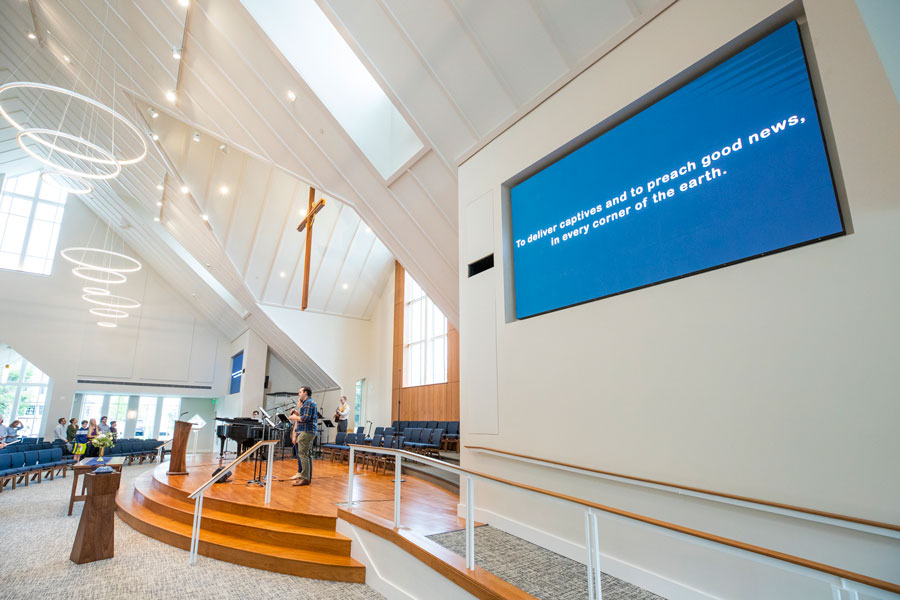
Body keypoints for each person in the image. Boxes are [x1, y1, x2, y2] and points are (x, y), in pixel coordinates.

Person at [288, 386, 316, 486]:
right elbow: (304, 416)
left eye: (300, 392)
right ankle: (307, 478)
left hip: (306, 431)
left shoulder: (308, 403)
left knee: (303, 455)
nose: (299, 394)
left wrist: (294, 417)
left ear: (305, 393)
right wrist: (297, 414)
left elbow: (305, 418)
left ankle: (304, 478)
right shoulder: (308, 403)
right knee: (307, 455)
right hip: (308, 431)